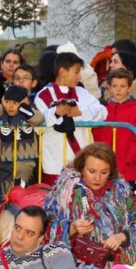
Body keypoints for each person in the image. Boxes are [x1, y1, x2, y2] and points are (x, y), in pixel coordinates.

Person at [46, 142, 136, 269]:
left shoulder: (121, 192)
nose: (97, 178)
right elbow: (45, 228)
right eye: (92, 171)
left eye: (104, 172)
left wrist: (121, 236)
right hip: (72, 267)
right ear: (81, 168)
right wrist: (70, 227)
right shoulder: (65, 191)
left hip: (116, 267)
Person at [35, 50, 107, 184]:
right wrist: (56, 112)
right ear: (62, 71)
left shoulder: (82, 92)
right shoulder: (43, 95)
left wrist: (80, 113)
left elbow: (102, 111)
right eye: (76, 72)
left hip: (83, 161)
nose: (79, 77)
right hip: (55, 162)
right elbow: (40, 123)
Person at [0, 84, 43, 203]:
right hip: (4, 162)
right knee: (5, 198)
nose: (11, 106)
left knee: (20, 192)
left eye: (15, 102)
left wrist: (24, 108)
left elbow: (38, 119)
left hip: (25, 161)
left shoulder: (28, 112)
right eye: (8, 101)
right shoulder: (0, 112)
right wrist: (1, 106)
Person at [93, 68, 136, 184]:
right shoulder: (103, 111)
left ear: (130, 88)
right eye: (115, 86)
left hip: (128, 171)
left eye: (122, 86)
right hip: (103, 168)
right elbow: (96, 134)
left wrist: (128, 159)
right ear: (109, 88)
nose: (118, 89)